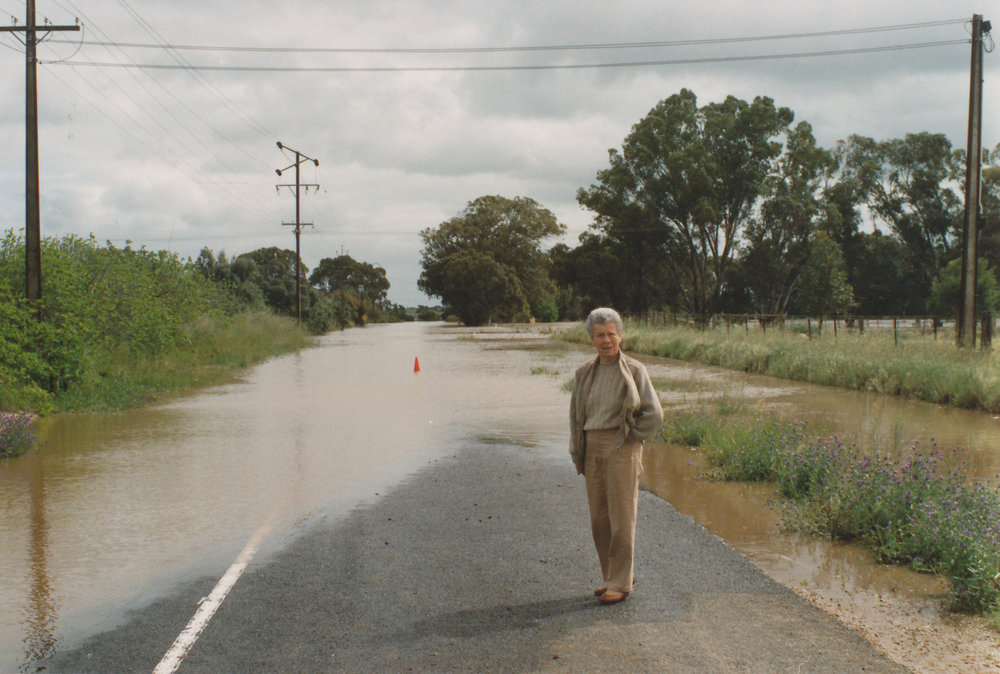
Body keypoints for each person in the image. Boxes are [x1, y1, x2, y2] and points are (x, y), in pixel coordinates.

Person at [569, 308, 663, 604]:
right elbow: (575, 415)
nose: (606, 340)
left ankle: (621, 584)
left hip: (622, 446)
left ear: (620, 335)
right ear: (591, 339)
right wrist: (578, 449)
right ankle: (614, 574)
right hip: (591, 447)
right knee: (600, 519)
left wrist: (631, 439)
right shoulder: (584, 373)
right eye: (600, 335)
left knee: (622, 517)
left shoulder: (635, 370)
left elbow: (654, 414)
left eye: (611, 334)